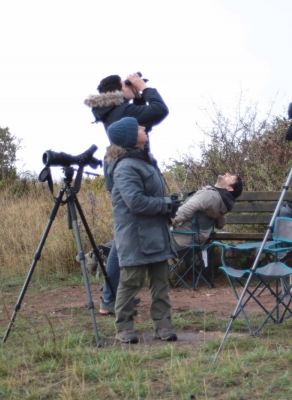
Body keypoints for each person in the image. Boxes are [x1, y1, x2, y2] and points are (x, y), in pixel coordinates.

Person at [84, 73, 169, 315]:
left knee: (124, 237)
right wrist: (144, 88)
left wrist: (137, 96)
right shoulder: (123, 113)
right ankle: (110, 298)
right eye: (126, 85)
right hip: (129, 172)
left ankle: (113, 294)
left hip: (121, 171)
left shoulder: (113, 112)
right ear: (119, 92)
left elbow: (143, 122)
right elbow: (159, 111)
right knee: (123, 241)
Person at [105, 117, 179, 343]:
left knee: (160, 283)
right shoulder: (125, 167)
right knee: (130, 283)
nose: (144, 128)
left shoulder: (145, 160)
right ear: (129, 137)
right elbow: (135, 202)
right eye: (138, 128)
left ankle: (163, 326)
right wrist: (166, 205)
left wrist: (168, 205)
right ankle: (124, 327)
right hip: (135, 236)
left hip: (156, 233)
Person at [171, 173, 243, 248]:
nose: (227, 174)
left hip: (179, 240)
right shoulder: (222, 202)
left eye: (231, 178)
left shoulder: (210, 195)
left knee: (158, 236)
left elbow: (183, 212)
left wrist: (166, 222)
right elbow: (221, 224)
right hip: (197, 243)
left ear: (229, 188)